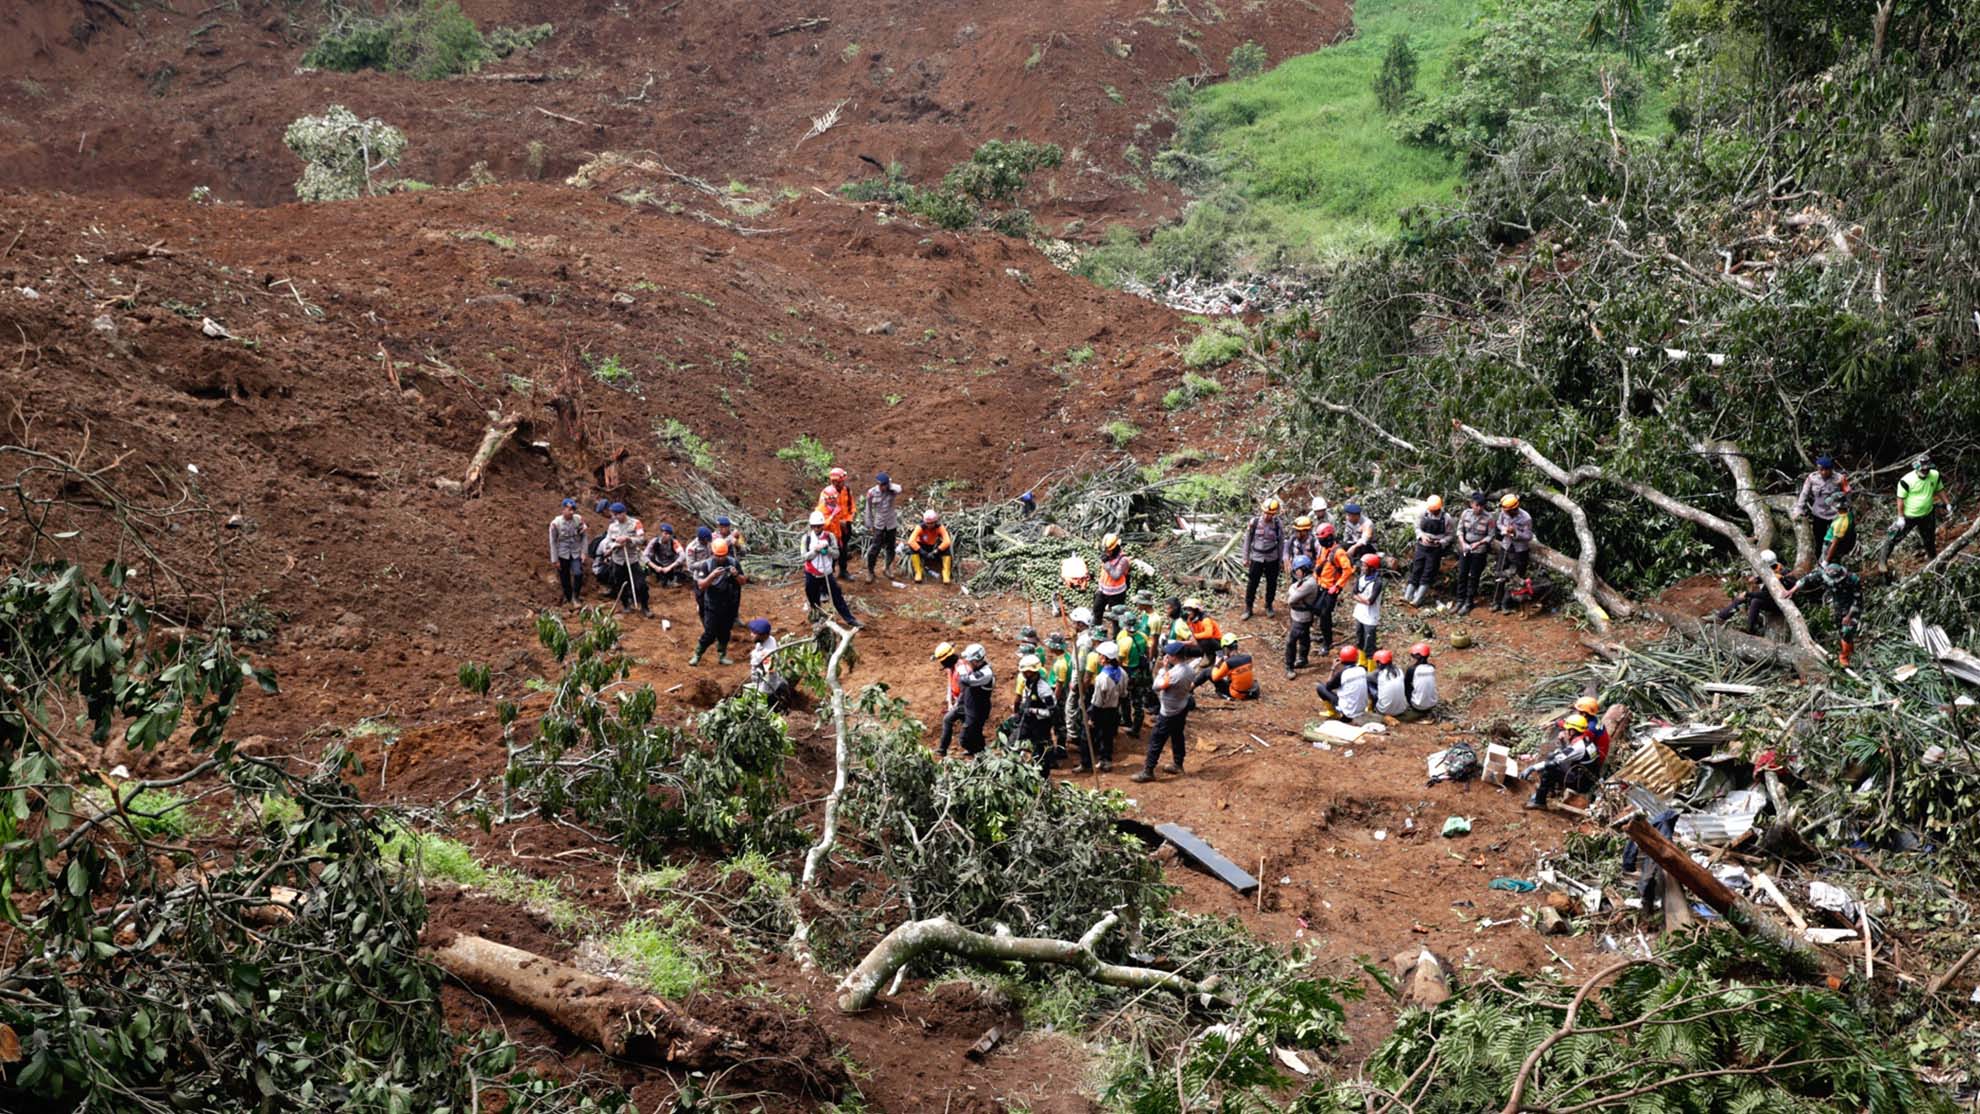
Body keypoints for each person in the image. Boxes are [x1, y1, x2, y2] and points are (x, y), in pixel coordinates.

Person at [1131, 642, 1199, 782]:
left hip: (1169, 712)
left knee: (1157, 740)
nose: (1166, 656)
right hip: (1181, 706)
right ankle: (1178, 763)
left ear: (1174, 657)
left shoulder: (1174, 674)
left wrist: (1163, 669)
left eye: (1168, 654)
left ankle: (1148, 771)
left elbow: (1157, 686)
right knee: (1177, 735)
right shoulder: (1190, 669)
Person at [1878, 454, 1950, 569]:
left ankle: (1933, 562)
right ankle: (1882, 562)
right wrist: (1900, 518)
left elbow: (1939, 489)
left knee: (1929, 539)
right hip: (1909, 516)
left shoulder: (1935, 475)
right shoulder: (1906, 481)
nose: (1925, 471)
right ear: (1916, 467)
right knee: (1893, 536)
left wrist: (1947, 504)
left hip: (1927, 514)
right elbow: (1900, 499)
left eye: (1927, 469)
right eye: (1923, 469)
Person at [1525, 713, 1604, 810]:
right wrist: (1562, 742)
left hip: (1581, 783)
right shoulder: (1586, 740)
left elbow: (1557, 760)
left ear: (1573, 732)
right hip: (1587, 777)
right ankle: (1551, 789)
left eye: (1567, 729)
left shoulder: (1579, 747)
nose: (1565, 731)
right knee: (1552, 757)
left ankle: (1539, 801)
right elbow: (1566, 753)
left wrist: (1532, 768)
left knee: (1550, 767)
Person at [1709, 549, 1796, 635]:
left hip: (1779, 604)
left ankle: (1750, 629)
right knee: (1743, 599)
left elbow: (1766, 594)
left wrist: (1748, 594)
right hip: (1772, 599)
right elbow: (1767, 576)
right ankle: (1721, 617)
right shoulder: (1776, 567)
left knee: (1755, 601)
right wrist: (1757, 579)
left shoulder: (1780, 577)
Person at [689, 536, 745, 665]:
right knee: (710, 632)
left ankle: (722, 655)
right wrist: (712, 576)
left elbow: (743, 581)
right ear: (713, 553)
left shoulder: (733, 562)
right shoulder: (706, 565)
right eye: (718, 555)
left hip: (729, 603)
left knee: (725, 631)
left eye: (723, 555)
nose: (721, 558)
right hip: (712, 604)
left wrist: (736, 575)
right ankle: (697, 654)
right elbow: (701, 585)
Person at [801, 510, 859, 627]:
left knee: (837, 596)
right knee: (813, 598)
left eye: (819, 526)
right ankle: (817, 619)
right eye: (814, 526)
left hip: (826, 573)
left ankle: (850, 619)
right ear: (811, 526)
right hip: (812, 573)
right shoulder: (806, 539)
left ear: (822, 525)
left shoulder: (830, 536)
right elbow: (804, 557)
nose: (817, 528)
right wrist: (815, 550)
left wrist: (827, 549)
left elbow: (837, 554)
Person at [1791, 456, 1851, 569]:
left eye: (1826, 469)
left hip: (1835, 515)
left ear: (1831, 469)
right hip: (1819, 514)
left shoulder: (1839, 478)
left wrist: (1847, 509)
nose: (1823, 472)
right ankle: (1819, 563)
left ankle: (1834, 562)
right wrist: (1799, 509)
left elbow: (1847, 492)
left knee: (1835, 540)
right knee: (1819, 540)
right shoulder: (1812, 478)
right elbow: (1804, 494)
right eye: (1820, 469)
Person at [602, 503, 650, 617]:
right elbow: (607, 542)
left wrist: (628, 539)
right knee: (620, 583)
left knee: (641, 584)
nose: (617, 517)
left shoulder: (635, 523)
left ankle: (645, 607)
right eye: (615, 515)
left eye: (619, 514)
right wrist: (615, 545)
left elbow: (642, 539)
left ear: (624, 512)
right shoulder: (612, 527)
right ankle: (626, 605)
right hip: (618, 560)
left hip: (633, 559)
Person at [1109, 604, 1150, 738]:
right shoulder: (1143, 636)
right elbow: (1147, 653)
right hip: (1140, 671)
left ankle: (1124, 720)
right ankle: (1135, 727)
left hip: (1128, 671)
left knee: (1123, 697)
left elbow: (1119, 661)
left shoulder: (1125, 641)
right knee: (1138, 701)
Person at [1242, 498, 1286, 619]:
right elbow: (1247, 540)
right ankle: (1248, 607)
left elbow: (1281, 542)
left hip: (1272, 558)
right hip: (1257, 557)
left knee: (1272, 583)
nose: (1268, 516)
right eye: (1266, 513)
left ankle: (1269, 605)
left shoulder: (1277, 524)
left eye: (1271, 514)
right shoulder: (1254, 522)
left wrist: (1281, 559)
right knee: (1252, 583)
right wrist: (1245, 557)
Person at [1313, 523, 1353, 654]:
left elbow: (1348, 570)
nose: (1320, 541)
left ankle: (1327, 642)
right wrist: (1315, 578)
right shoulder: (1324, 549)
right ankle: (1325, 635)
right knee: (1318, 610)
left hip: (1331, 588)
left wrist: (1337, 586)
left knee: (1325, 614)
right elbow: (1319, 563)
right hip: (1321, 585)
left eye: (1322, 539)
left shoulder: (1339, 552)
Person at [1015, 655, 1060, 770]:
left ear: (1031, 672)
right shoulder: (1028, 683)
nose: (1024, 674)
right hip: (1030, 721)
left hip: (1041, 724)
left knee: (1042, 749)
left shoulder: (1043, 689)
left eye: (1025, 672)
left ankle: (1045, 769)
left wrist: (1034, 711)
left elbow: (1052, 711)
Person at [1814, 562, 1863, 666]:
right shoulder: (1824, 575)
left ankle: (1844, 656)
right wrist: (1792, 590)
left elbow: (1857, 601)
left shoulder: (1853, 579)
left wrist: (1849, 616)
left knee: (1847, 631)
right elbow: (1807, 579)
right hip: (1838, 606)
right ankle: (1850, 650)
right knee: (1841, 630)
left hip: (1852, 607)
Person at [1492, 493, 1534, 613]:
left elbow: (1528, 536)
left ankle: (1507, 604)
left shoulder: (1526, 518)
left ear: (1514, 509)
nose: (1506, 513)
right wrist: (1503, 530)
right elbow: (1499, 523)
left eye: (1508, 512)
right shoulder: (1503, 513)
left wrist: (1515, 532)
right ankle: (1496, 602)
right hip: (1506, 547)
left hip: (1520, 550)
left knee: (1516, 578)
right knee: (1500, 574)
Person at [1453, 492, 1493, 615]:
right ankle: (1460, 600)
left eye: (1482, 506)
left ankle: (1469, 602)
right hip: (1465, 548)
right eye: (1477, 505)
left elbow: (1491, 535)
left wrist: (1479, 543)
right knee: (1462, 574)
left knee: (1473, 576)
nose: (1479, 508)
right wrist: (1463, 542)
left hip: (1479, 550)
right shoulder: (1466, 513)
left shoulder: (1489, 518)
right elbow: (1459, 530)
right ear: (1472, 504)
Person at [1405, 496, 1449, 607]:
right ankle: (1407, 596)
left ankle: (1417, 599)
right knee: (1416, 569)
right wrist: (1422, 536)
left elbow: (1450, 535)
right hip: (1422, 546)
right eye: (1431, 510)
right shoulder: (1423, 514)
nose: (1433, 512)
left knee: (1428, 573)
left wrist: (1441, 542)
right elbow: (1417, 527)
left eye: (1435, 511)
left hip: (1435, 549)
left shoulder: (1446, 518)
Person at [1088, 641, 1125, 771]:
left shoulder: (1102, 678)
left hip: (1100, 710)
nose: (1098, 657)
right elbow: (1123, 693)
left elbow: (1097, 701)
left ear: (1105, 658)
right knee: (1108, 735)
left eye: (1100, 655)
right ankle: (1106, 760)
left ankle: (1087, 762)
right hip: (1114, 708)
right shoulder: (1122, 673)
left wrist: (1092, 717)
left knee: (1090, 735)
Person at [817, 467, 858, 580]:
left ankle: (843, 571)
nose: (843, 483)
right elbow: (822, 514)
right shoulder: (826, 494)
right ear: (834, 481)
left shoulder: (846, 490)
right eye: (841, 482)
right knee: (832, 551)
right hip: (832, 528)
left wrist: (849, 520)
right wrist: (839, 522)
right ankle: (829, 574)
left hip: (845, 526)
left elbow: (852, 507)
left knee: (844, 549)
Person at [955, 644, 994, 757]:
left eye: (969, 661)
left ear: (976, 661)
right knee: (976, 733)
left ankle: (978, 754)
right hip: (970, 706)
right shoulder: (977, 668)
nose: (967, 663)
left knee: (965, 738)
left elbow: (965, 680)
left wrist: (962, 670)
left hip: (978, 710)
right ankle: (979, 752)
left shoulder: (985, 673)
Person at [548, 498, 589, 605]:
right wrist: (555, 559)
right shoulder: (555, 523)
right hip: (562, 553)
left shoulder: (578, 519)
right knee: (564, 577)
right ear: (563, 510)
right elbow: (553, 542)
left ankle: (576, 596)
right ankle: (568, 597)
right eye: (569, 509)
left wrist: (584, 552)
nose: (571, 512)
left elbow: (584, 536)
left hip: (575, 551)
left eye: (573, 510)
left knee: (578, 573)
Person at [1283, 554, 1318, 679]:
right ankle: (1303, 658)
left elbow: (1291, 599)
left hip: (1302, 617)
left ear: (1304, 569)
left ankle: (1289, 666)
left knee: (1291, 641)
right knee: (1304, 636)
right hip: (1298, 615)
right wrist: (1293, 589)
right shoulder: (1305, 580)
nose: (1295, 573)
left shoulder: (1309, 584)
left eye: (1297, 570)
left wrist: (1292, 590)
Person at [863, 472, 902, 581]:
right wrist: (869, 524)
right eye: (881, 485)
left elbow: (899, 489)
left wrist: (890, 485)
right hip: (879, 524)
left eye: (884, 485)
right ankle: (870, 572)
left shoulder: (892, 490)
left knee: (890, 547)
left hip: (891, 523)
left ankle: (887, 567)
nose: (882, 487)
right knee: (875, 548)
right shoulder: (872, 493)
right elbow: (868, 509)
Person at [1315, 645, 1370, 721]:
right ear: (1356, 658)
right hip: (1362, 709)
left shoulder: (1342, 674)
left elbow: (1328, 686)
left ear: (1341, 659)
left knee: (1320, 687)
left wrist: (1333, 668)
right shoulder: (1362, 670)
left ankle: (1334, 713)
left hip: (1348, 712)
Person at [932, 641, 965, 757]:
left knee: (949, 720)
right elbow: (950, 685)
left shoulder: (961, 669)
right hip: (958, 702)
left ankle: (943, 749)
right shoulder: (950, 668)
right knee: (953, 721)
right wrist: (949, 702)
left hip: (966, 702)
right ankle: (942, 749)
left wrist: (956, 705)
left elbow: (965, 691)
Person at [1351, 552, 1383, 663]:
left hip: (1370, 617)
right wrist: (1362, 599)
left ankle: (1370, 667)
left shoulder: (1377, 582)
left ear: (1372, 567)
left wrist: (1359, 597)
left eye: (1365, 565)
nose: (1362, 567)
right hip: (1360, 613)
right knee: (1359, 639)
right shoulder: (1361, 577)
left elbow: (1370, 601)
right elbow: (1353, 593)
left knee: (1369, 644)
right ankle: (1361, 662)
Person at [909, 510, 954, 585]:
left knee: (947, 548)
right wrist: (922, 551)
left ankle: (946, 573)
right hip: (922, 547)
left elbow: (947, 541)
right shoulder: (920, 527)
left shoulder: (940, 527)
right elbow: (911, 541)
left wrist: (937, 551)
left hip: (934, 547)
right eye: (928, 523)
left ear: (935, 522)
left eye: (932, 523)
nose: (930, 525)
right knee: (912, 548)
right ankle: (918, 572)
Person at [1210, 634, 1258, 701]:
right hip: (1250, 692)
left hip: (1237, 694)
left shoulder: (1228, 663)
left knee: (1207, 672)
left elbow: (1214, 678)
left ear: (1226, 648)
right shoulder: (1248, 657)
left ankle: (1191, 689)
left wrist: (1216, 664)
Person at [1094, 533, 1131, 619]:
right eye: (1106, 550)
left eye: (1110, 550)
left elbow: (1116, 575)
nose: (1108, 552)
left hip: (1116, 594)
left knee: (1116, 617)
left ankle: (1117, 632)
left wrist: (1107, 563)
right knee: (1097, 611)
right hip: (1102, 591)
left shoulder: (1123, 560)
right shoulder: (1108, 555)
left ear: (1116, 548)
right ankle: (1096, 629)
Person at [683, 526, 714, 621]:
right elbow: (690, 566)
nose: (708, 542)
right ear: (701, 539)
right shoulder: (692, 548)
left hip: (711, 576)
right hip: (699, 577)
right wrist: (707, 562)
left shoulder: (709, 542)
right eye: (706, 540)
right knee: (702, 602)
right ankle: (704, 620)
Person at [1403, 642, 1438, 719]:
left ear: (1417, 656)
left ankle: (1416, 709)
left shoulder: (1412, 669)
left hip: (1418, 706)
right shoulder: (1432, 668)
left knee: (1407, 686)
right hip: (1432, 704)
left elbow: (1406, 685)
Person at [1822, 491, 1857, 566]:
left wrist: (1826, 561)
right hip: (1839, 546)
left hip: (1830, 547)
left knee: (1826, 568)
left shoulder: (1840, 523)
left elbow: (1835, 543)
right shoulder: (1849, 514)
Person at [1370, 648, 1407, 717]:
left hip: (1384, 711)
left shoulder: (1379, 674)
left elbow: (1367, 677)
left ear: (1379, 663)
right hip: (1401, 710)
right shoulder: (1399, 671)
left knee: (1369, 684)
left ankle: (1372, 708)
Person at [1183, 598, 1222, 662]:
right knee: (1186, 650)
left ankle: (1210, 655)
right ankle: (1203, 652)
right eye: (1186, 610)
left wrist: (1193, 636)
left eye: (1190, 610)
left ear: (1196, 610)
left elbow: (1208, 634)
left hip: (1215, 642)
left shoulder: (1205, 619)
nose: (1188, 612)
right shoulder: (1190, 619)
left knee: (1204, 640)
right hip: (1200, 641)